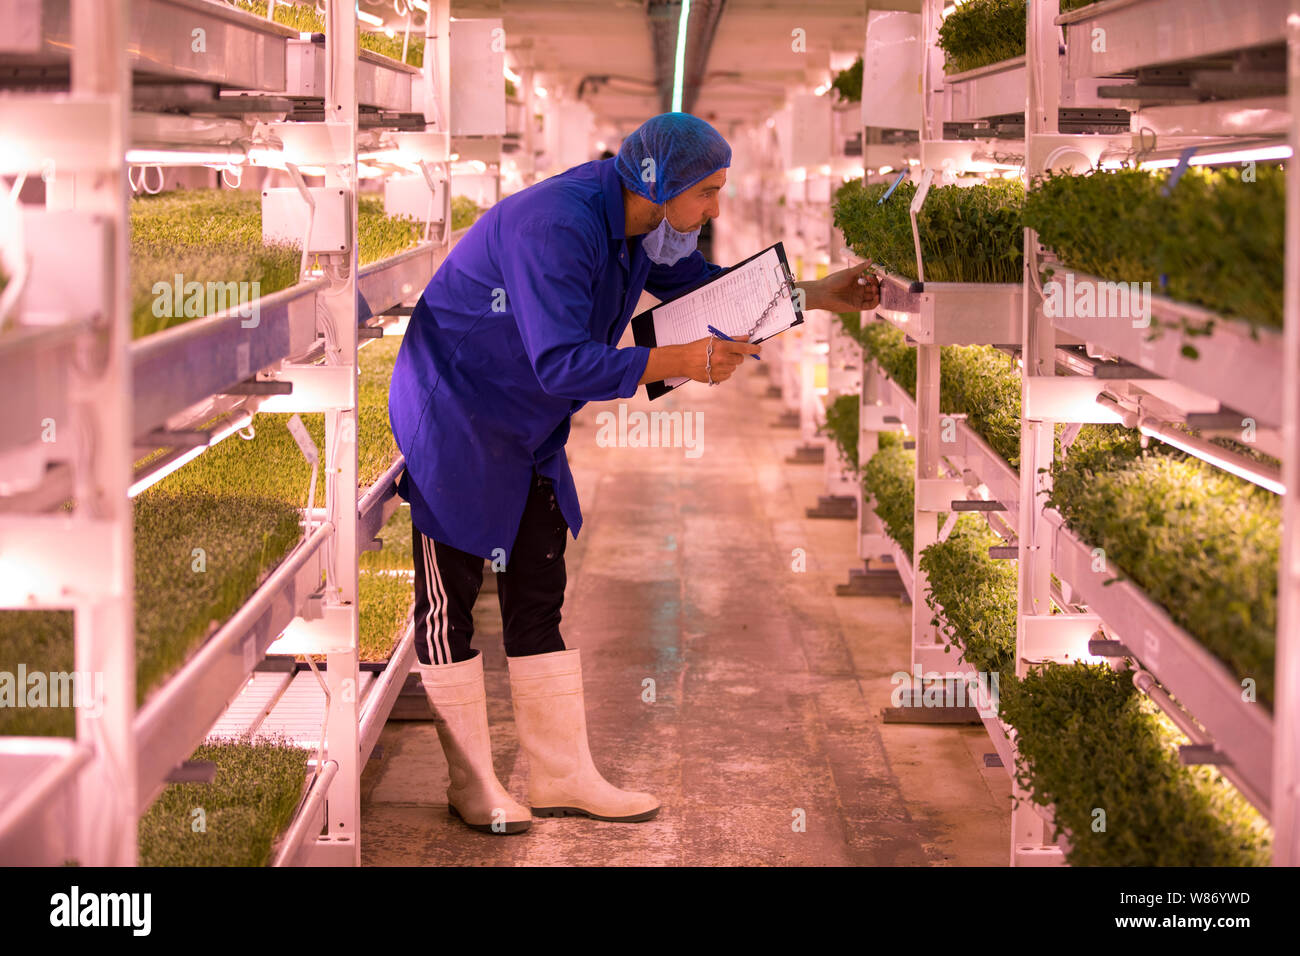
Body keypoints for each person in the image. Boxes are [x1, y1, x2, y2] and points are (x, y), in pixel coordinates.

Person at [388, 112, 881, 835]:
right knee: (448, 601)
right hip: (457, 411)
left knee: (537, 586)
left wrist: (821, 293)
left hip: (525, 419)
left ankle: (561, 775)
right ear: (661, 186)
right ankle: (473, 784)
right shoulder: (557, 225)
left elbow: (712, 297)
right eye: (709, 193)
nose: (716, 209)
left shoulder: (645, 226)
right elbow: (560, 361)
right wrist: (678, 362)